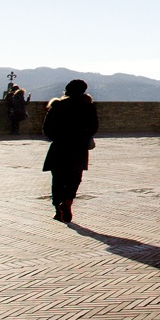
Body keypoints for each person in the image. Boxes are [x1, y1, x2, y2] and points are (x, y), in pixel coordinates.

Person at [42, 79, 98, 222]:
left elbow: (47, 128)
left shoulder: (57, 106)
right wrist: (82, 136)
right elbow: (94, 128)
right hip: (78, 148)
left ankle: (57, 209)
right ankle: (68, 201)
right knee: (75, 177)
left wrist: (59, 137)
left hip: (59, 147)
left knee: (58, 179)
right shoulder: (88, 107)